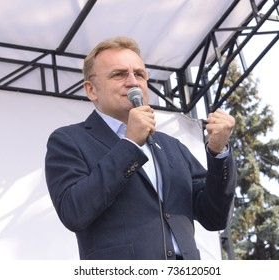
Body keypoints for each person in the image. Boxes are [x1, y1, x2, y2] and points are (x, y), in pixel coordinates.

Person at [45, 36, 237, 260]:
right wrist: (130, 144)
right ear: (91, 90)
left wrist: (218, 152)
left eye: (139, 74)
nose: (133, 82)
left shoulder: (172, 146)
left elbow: (214, 217)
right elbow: (74, 212)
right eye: (119, 74)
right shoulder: (69, 140)